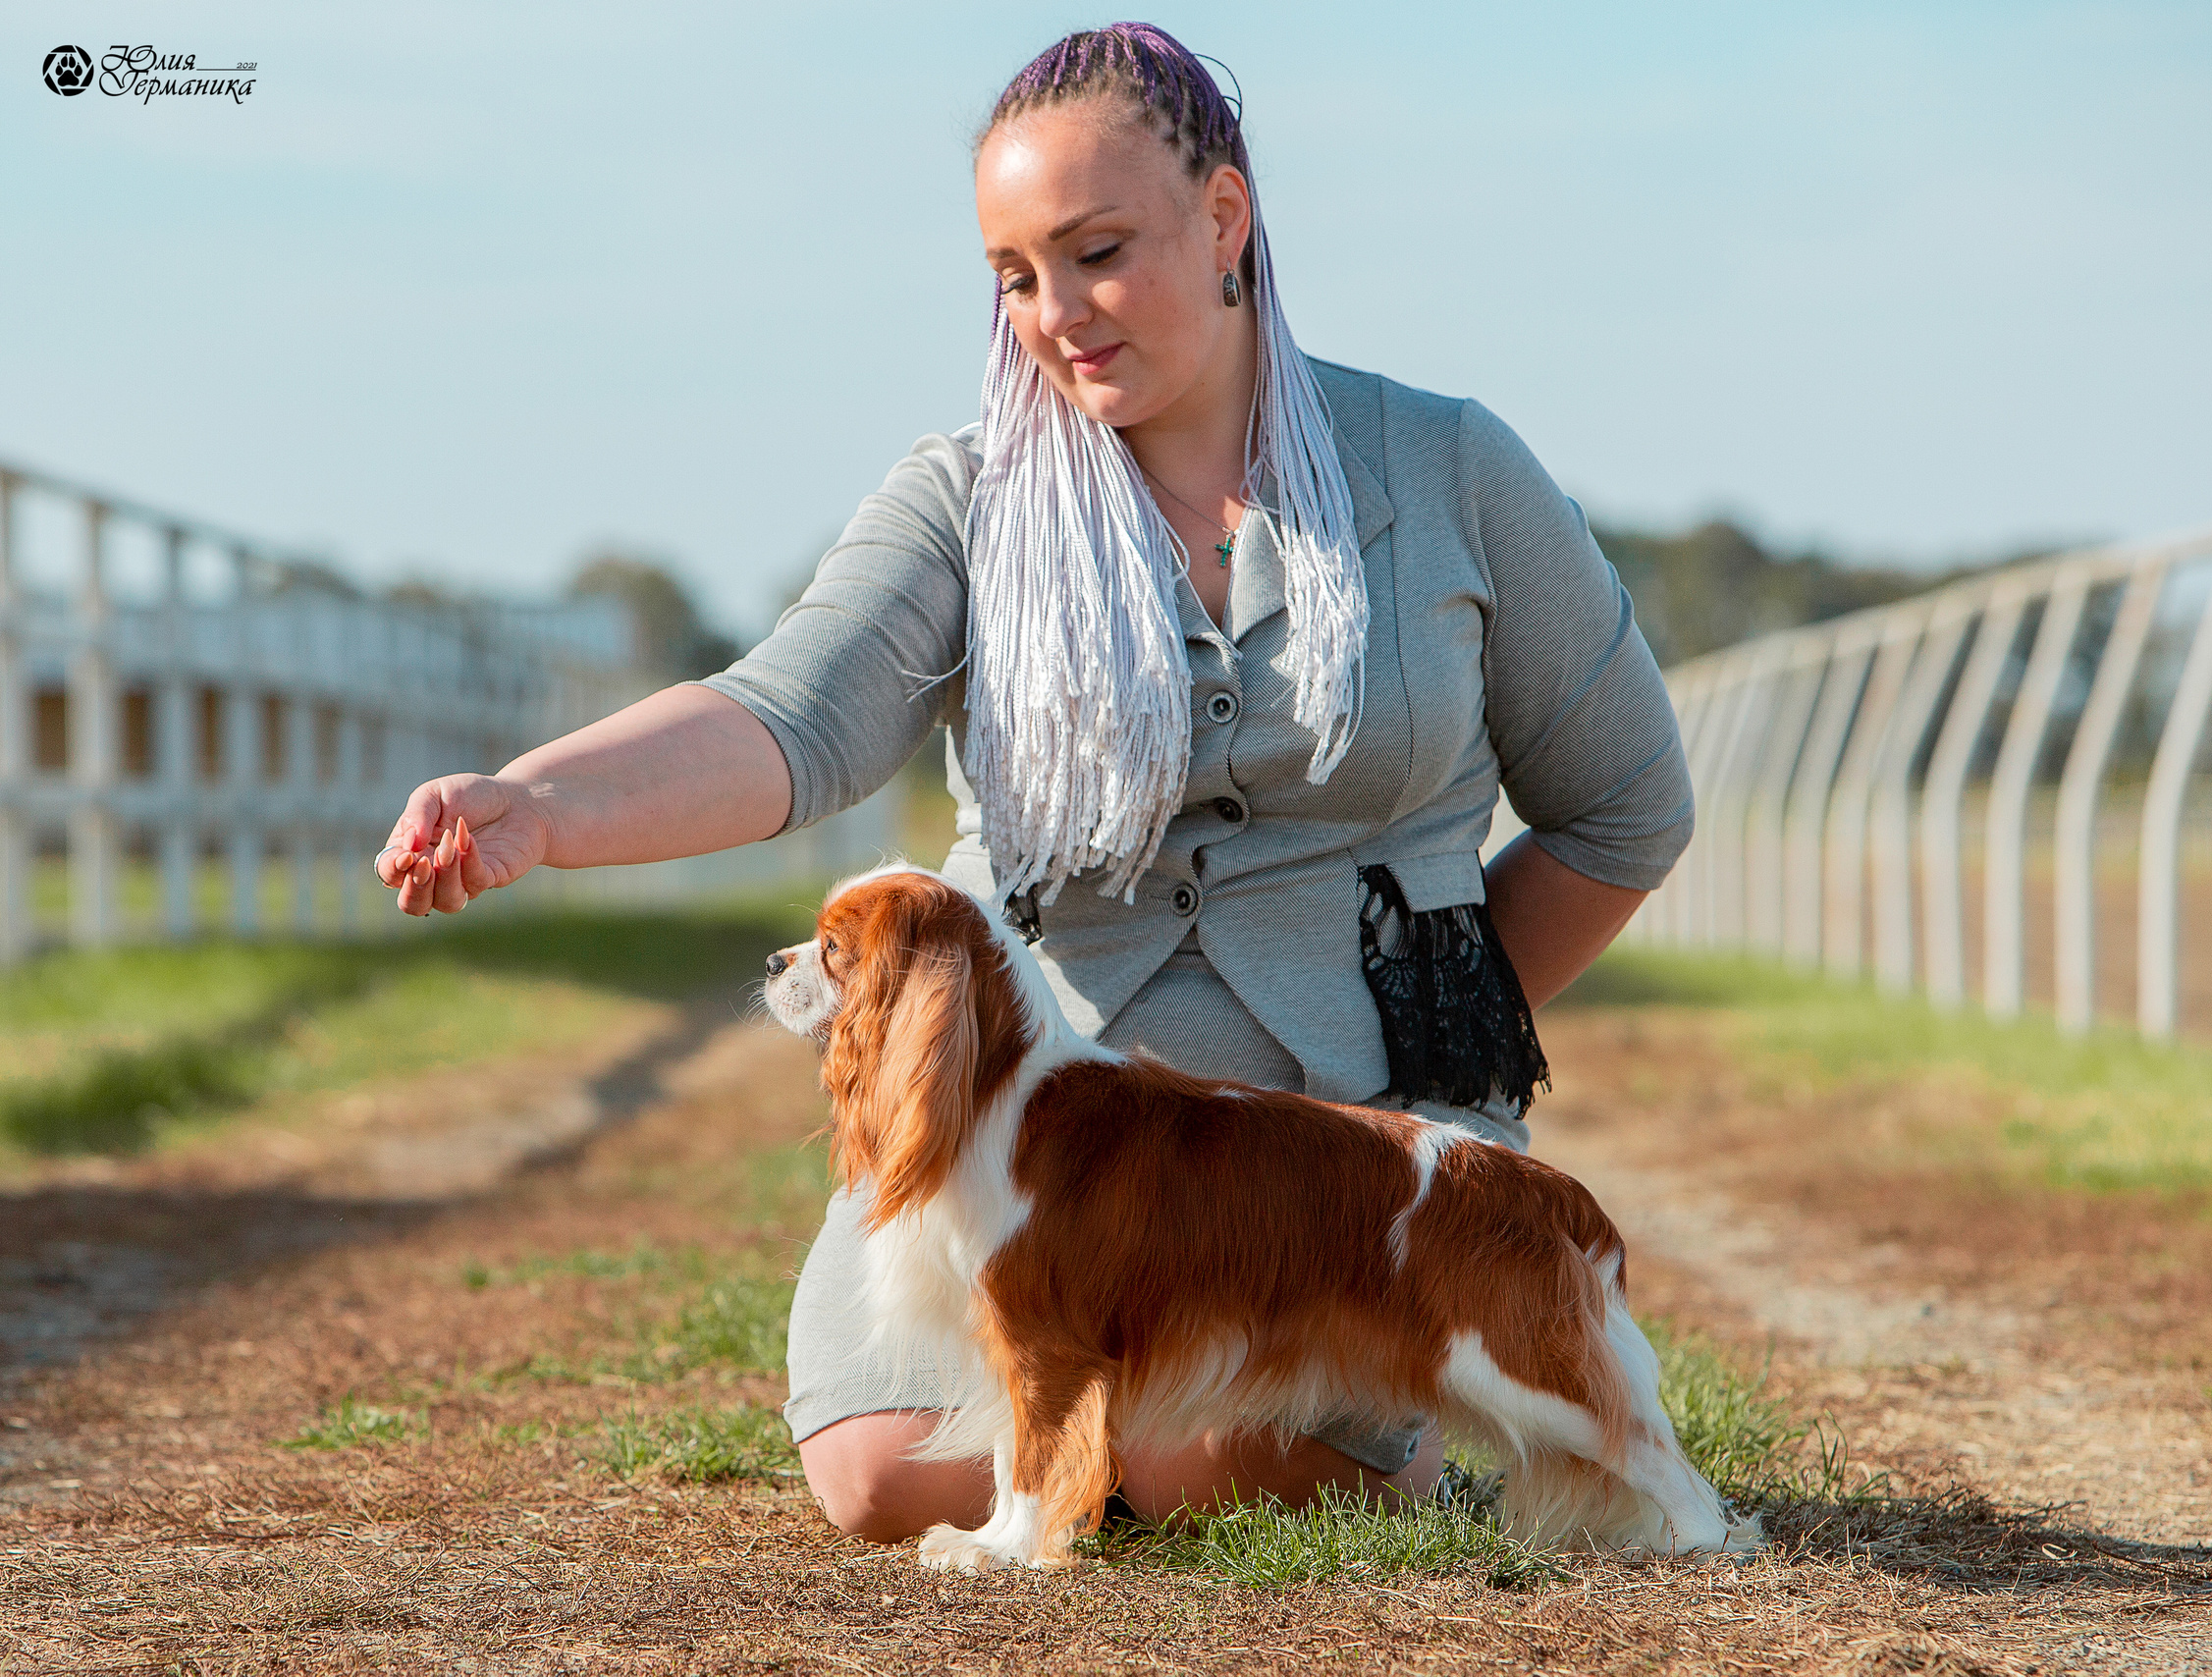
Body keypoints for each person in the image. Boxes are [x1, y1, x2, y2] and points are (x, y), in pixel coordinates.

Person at [377, 23, 1691, 1543]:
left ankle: (1329, 1409)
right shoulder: (963, 496)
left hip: (1342, 1161)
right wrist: (543, 803)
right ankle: (1127, 1455)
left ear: (1224, 219)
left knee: (1198, 1454)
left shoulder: (1456, 472)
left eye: (1098, 253)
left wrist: (1431, 1016)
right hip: (1016, 1135)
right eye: (1013, 275)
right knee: (880, 1476)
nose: (1054, 315)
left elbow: (1627, 807)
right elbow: (787, 715)